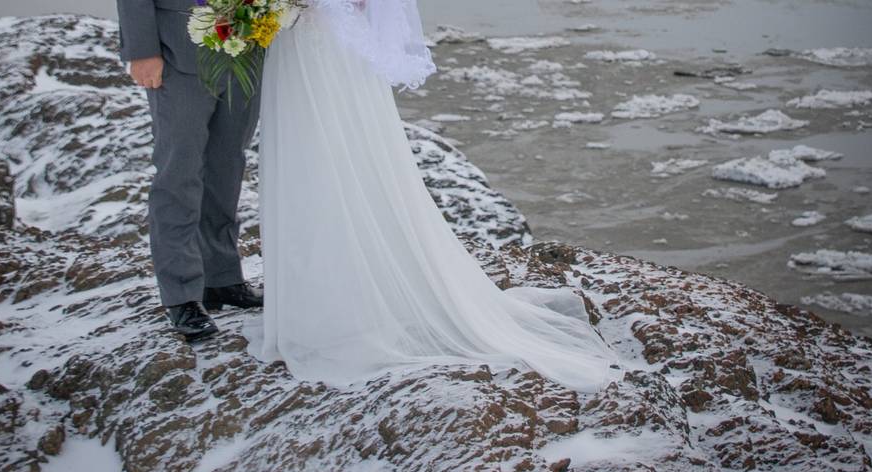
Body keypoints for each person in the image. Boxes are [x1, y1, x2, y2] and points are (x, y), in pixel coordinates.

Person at [244, 0, 622, 393]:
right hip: (290, 39)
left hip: (323, 38)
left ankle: (349, 306)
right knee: (304, 157)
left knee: (335, 156)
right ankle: (309, 303)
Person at [116, 0, 264, 343]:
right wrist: (141, 50)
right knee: (178, 175)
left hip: (246, 50)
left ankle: (221, 277)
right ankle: (181, 296)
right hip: (176, 53)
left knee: (226, 170)